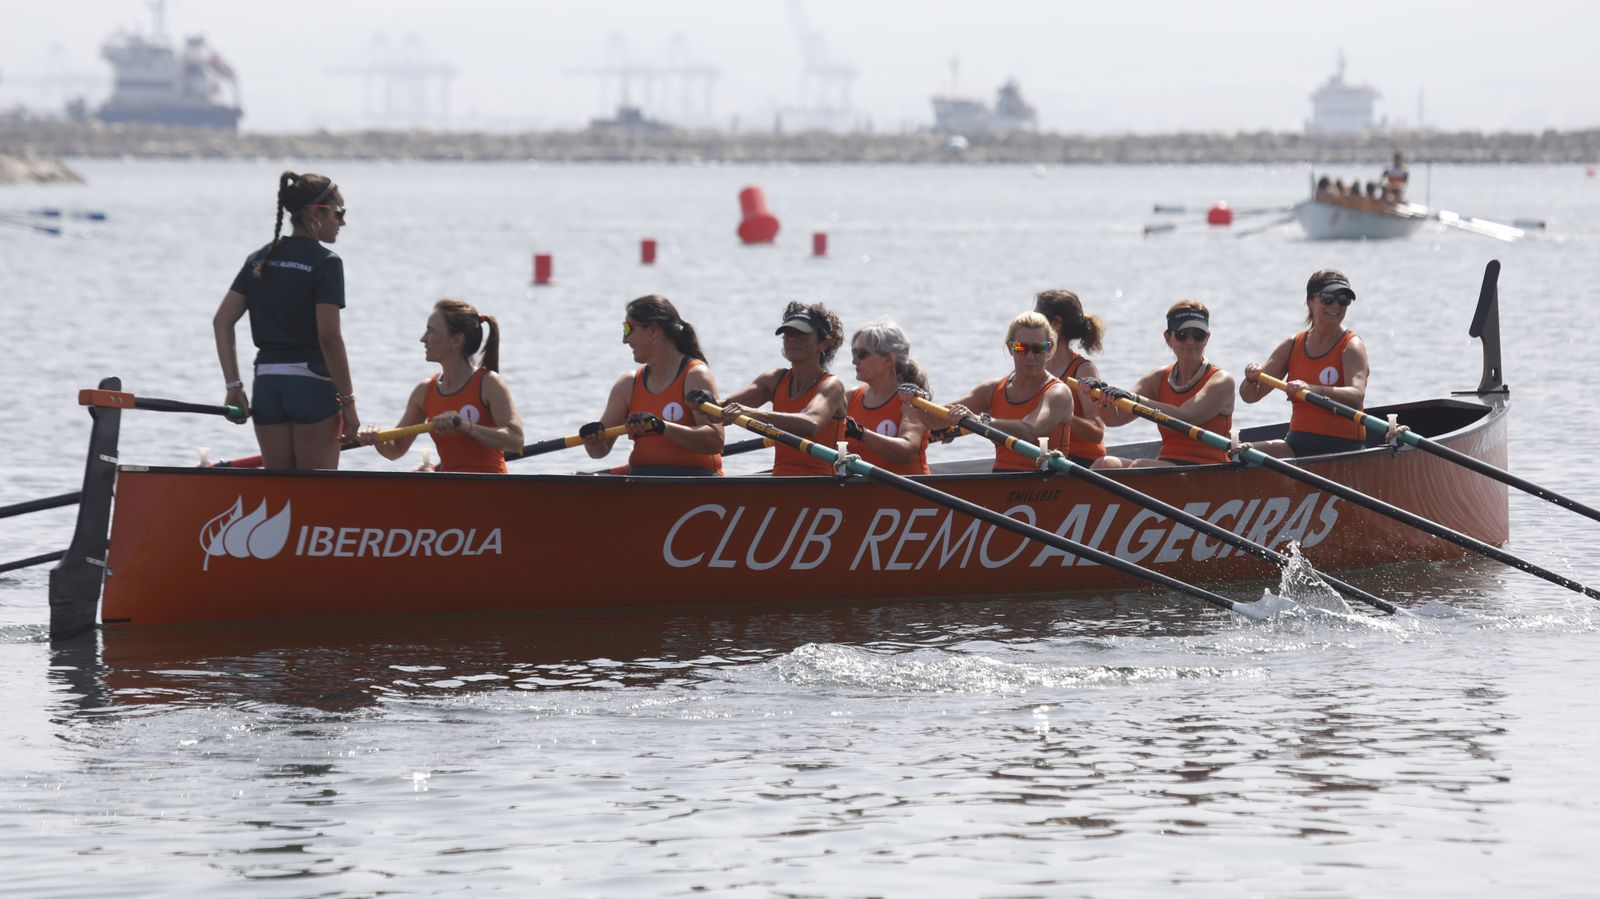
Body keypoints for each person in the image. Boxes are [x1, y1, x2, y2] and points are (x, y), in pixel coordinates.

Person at [213, 170, 359, 469]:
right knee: (315, 500)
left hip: (267, 387)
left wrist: (233, 385)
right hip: (311, 387)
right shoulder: (326, 263)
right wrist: (348, 403)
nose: (343, 221)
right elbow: (329, 338)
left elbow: (221, 322)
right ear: (317, 213)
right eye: (339, 212)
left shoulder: (259, 258)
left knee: (282, 498)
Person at [357, 299, 524, 473]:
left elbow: (516, 440)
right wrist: (377, 439)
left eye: (431, 331)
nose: (423, 339)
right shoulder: (424, 391)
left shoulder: (489, 383)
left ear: (456, 340)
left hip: (492, 488)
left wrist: (465, 426)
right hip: (449, 488)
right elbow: (396, 449)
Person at [582, 294, 724, 476]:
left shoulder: (695, 375)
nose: (624, 340)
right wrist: (593, 440)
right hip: (643, 480)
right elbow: (598, 452)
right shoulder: (628, 384)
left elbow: (715, 441)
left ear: (653, 330)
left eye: (628, 329)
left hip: (695, 481)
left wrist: (660, 427)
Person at [1240, 269, 1370, 458]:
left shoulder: (1351, 346)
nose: (1336, 305)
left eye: (1343, 300)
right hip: (1297, 445)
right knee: (1237, 453)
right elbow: (1250, 396)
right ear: (1310, 301)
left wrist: (1312, 389)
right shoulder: (1292, 345)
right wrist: (1251, 379)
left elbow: (1357, 394)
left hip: (1343, 449)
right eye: (1328, 298)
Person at [1091, 301, 1235, 468]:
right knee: (1105, 464)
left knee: (1140, 466)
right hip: (1167, 466)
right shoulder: (1158, 378)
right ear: (1168, 338)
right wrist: (1101, 396)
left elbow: (1187, 417)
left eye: (1198, 335)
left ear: (1207, 338)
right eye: (1182, 335)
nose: (1190, 341)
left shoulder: (1221, 380)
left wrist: (1134, 399)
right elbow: (1114, 419)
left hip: (1208, 469)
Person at [714, 302, 848, 476]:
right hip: (781, 482)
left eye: (801, 335)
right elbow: (724, 406)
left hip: (822, 485)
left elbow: (811, 423)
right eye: (788, 335)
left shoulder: (831, 386)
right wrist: (701, 400)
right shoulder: (773, 380)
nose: (792, 340)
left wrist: (752, 413)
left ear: (823, 344)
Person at [933, 311, 1076, 473]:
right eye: (1021, 348)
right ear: (1010, 348)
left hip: (1046, 484)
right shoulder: (993, 389)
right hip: (1002, 478)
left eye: (1038, 348)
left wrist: (980, 421)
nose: (1030, 356)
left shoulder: (1057, 393)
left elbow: (1031, 431)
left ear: (1049, 349)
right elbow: (934, 420)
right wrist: (916, 399)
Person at [843, 322, 931, 475]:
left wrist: (860, 433)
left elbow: (907, 451)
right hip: (862, 491)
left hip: (908, 493)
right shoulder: (849, 397)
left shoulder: (911, 400)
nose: (854, 361)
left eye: (862, 354)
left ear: (888, 360)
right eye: (854, 353)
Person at [1034, 289, 1108, 468]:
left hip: (1082, 464)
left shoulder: (1083, 370)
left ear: (1055, 324)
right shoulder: (1033, 366)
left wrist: (1062, 416)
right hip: (1047, 457)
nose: (1031, 324)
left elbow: (1097, 431)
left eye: (1037, 319)